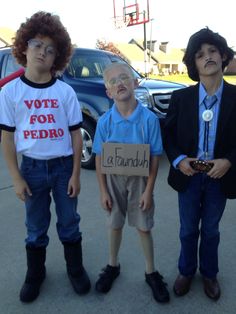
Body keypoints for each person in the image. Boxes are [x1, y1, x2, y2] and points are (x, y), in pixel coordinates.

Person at [0, 11, 91, 302]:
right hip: (32, 170)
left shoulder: (65, 93)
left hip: (64, 168)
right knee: (35, 226)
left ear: (58, 57)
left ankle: (75, 270)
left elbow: (77, 135)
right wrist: (16, 177)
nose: (43, 52)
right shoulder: (10, 92)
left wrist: (76, 173)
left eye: (51, 49)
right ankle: (35, 274)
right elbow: (8, 137)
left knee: (69, 221)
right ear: (24, 48)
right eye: (38, 45)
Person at [162, 27, 236, 301]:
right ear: (193, 64)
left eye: (213, 51)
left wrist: (228, 161)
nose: (208, 57)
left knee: (212, 229)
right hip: (189, 175)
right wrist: (179, 160)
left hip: (219, 176)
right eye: (200, 54)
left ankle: (209, 273)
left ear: (223, 56)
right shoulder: (181, 98)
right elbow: (167, 134)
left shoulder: (235, 97)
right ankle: (186, 270)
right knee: (188, 227)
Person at [92, 63, 170, 303]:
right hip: (114, 179)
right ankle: (112, 265)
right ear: (108, 92)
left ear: (135, 83)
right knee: (114, 223)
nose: (120, 83)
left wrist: (149, 190)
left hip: (140, 179)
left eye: (124, 77)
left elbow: (155, 157)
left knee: (143, 226)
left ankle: (151, 271)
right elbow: (99, 157)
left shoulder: (149, 120)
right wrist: (103, 190)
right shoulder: (105, 122)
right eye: (113, 81)